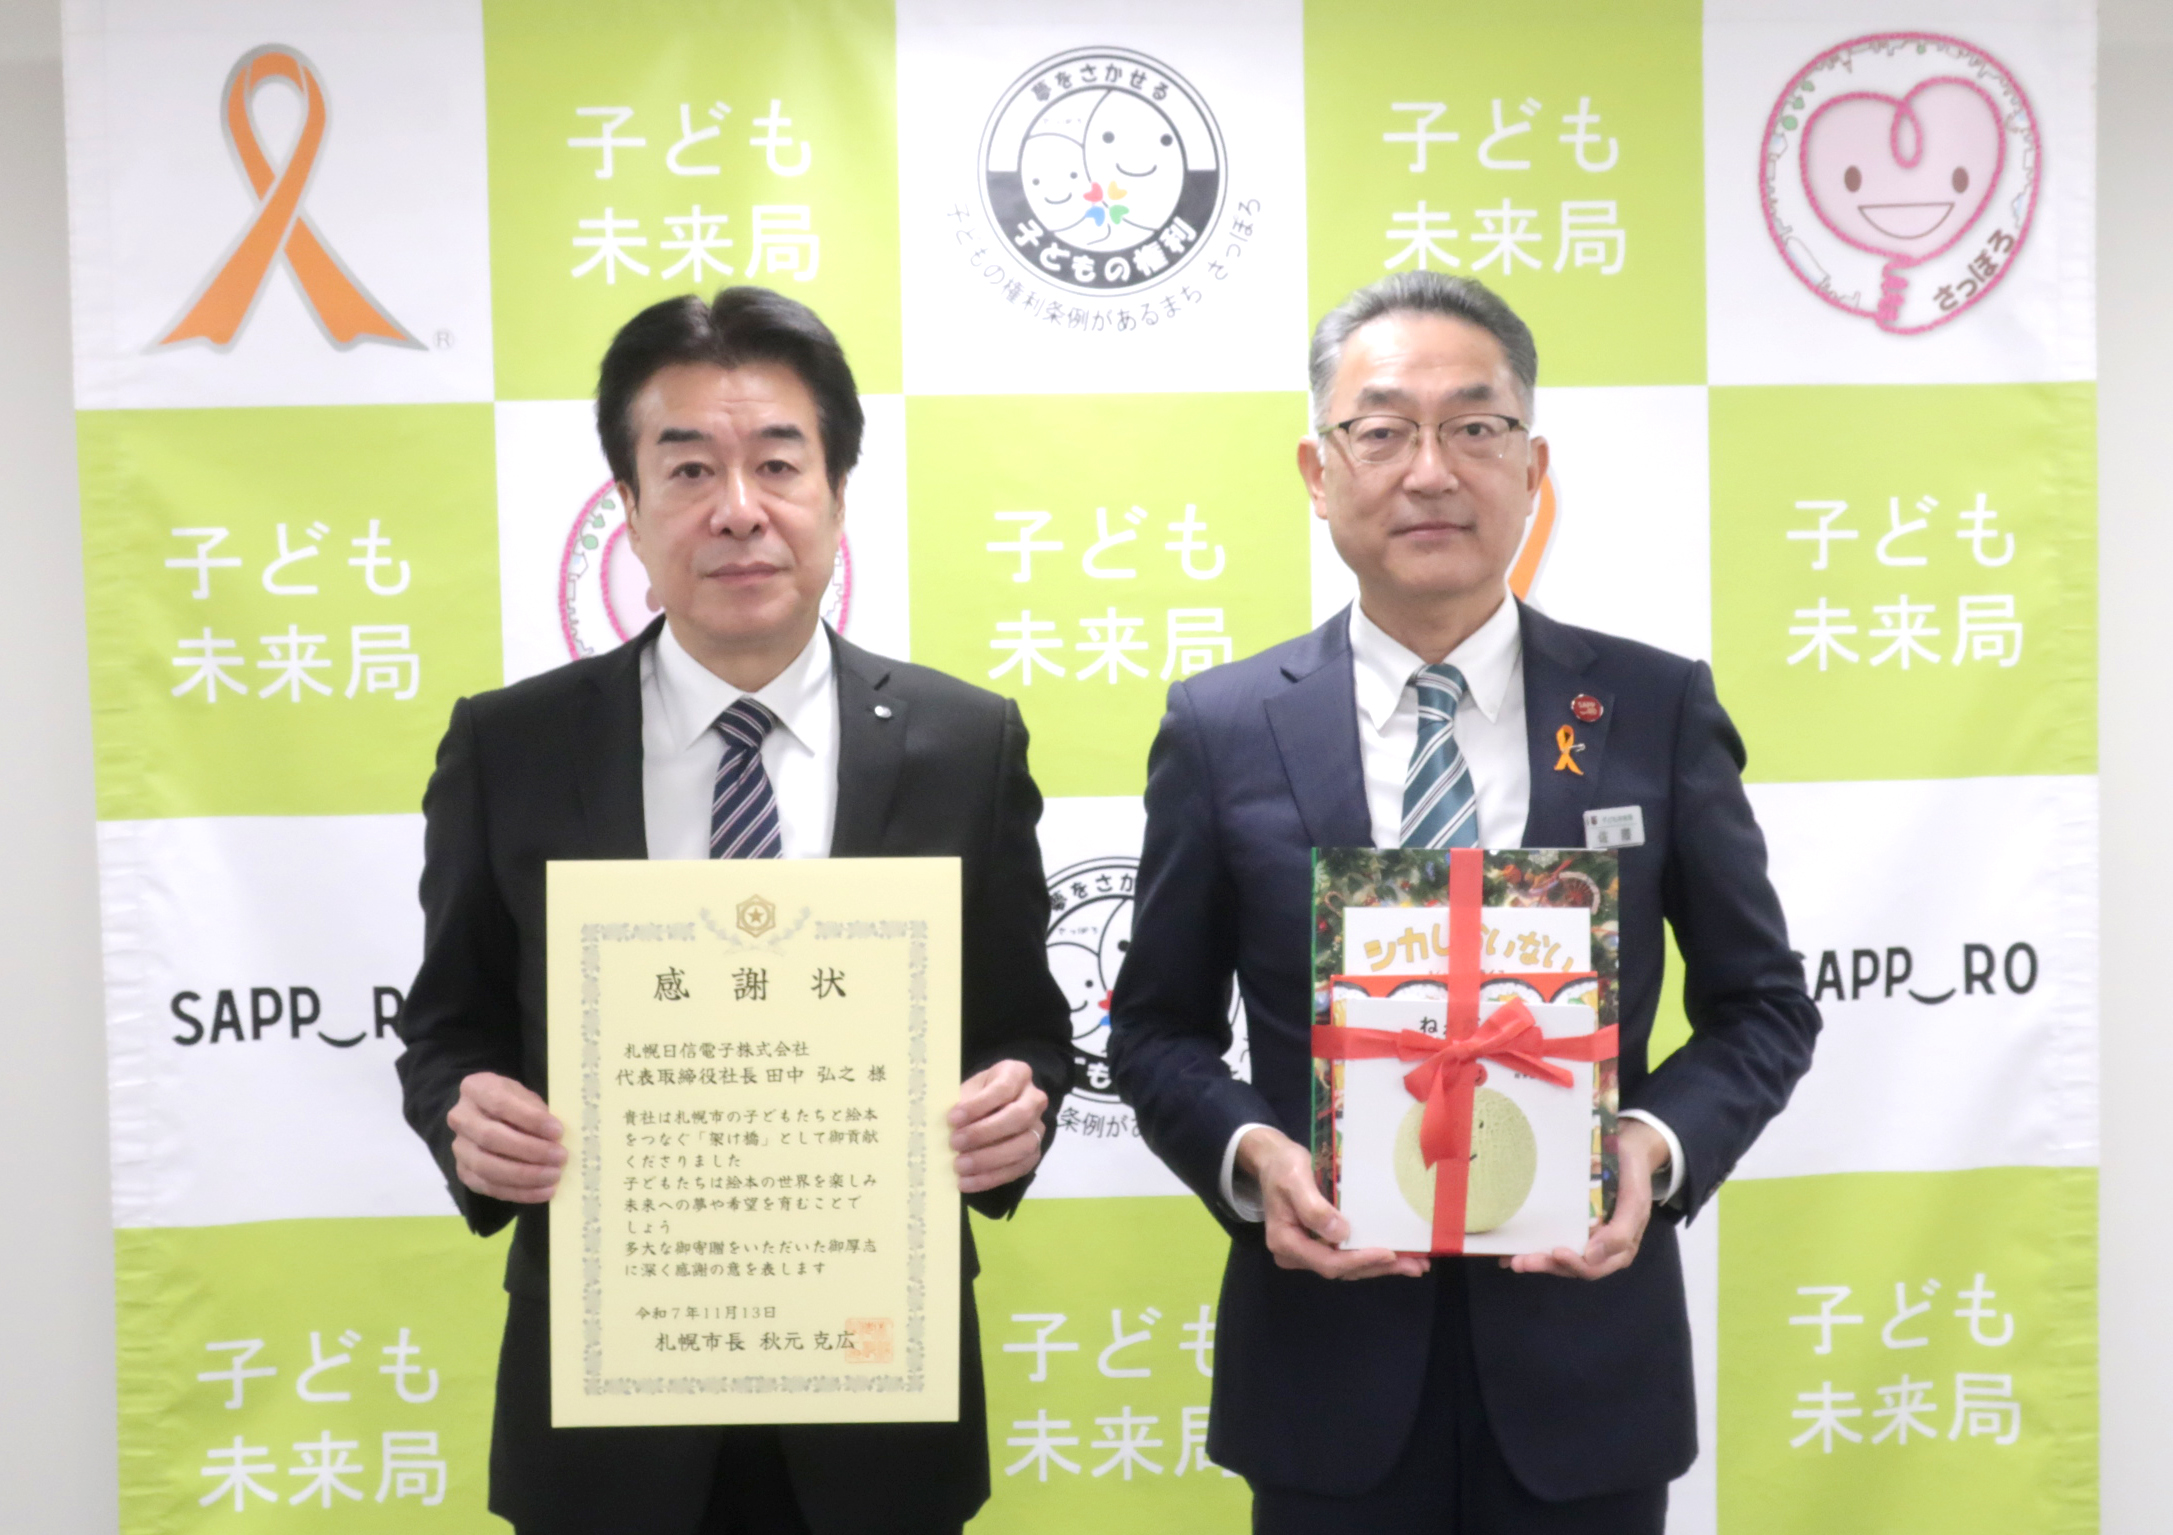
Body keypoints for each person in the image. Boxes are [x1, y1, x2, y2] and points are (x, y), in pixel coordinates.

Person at [1108, 272, 1820, 1533]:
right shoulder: (1221, 728)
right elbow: (1156, 1027)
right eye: (1382, 430)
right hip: (1323, 1371)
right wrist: (1251, 1157)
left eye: (1475, 428)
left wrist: (1651, 1146)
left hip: (1585, 1370)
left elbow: (1761, 1004)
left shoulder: (1653, 709)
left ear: (1532, 466)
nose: (1430, 471)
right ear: (1317, 471)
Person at [394, 287, 1072, 1535]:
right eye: (690, 468)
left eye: (777, 462)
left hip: (876, 1389)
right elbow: (448, 1026)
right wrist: (465, 1114)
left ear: (837, 493)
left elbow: (1024, 1026)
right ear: (629, 504)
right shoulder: (512, 746)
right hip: (608, 1399)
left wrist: (1014, 1105)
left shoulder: (963, 744)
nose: (739, 508)